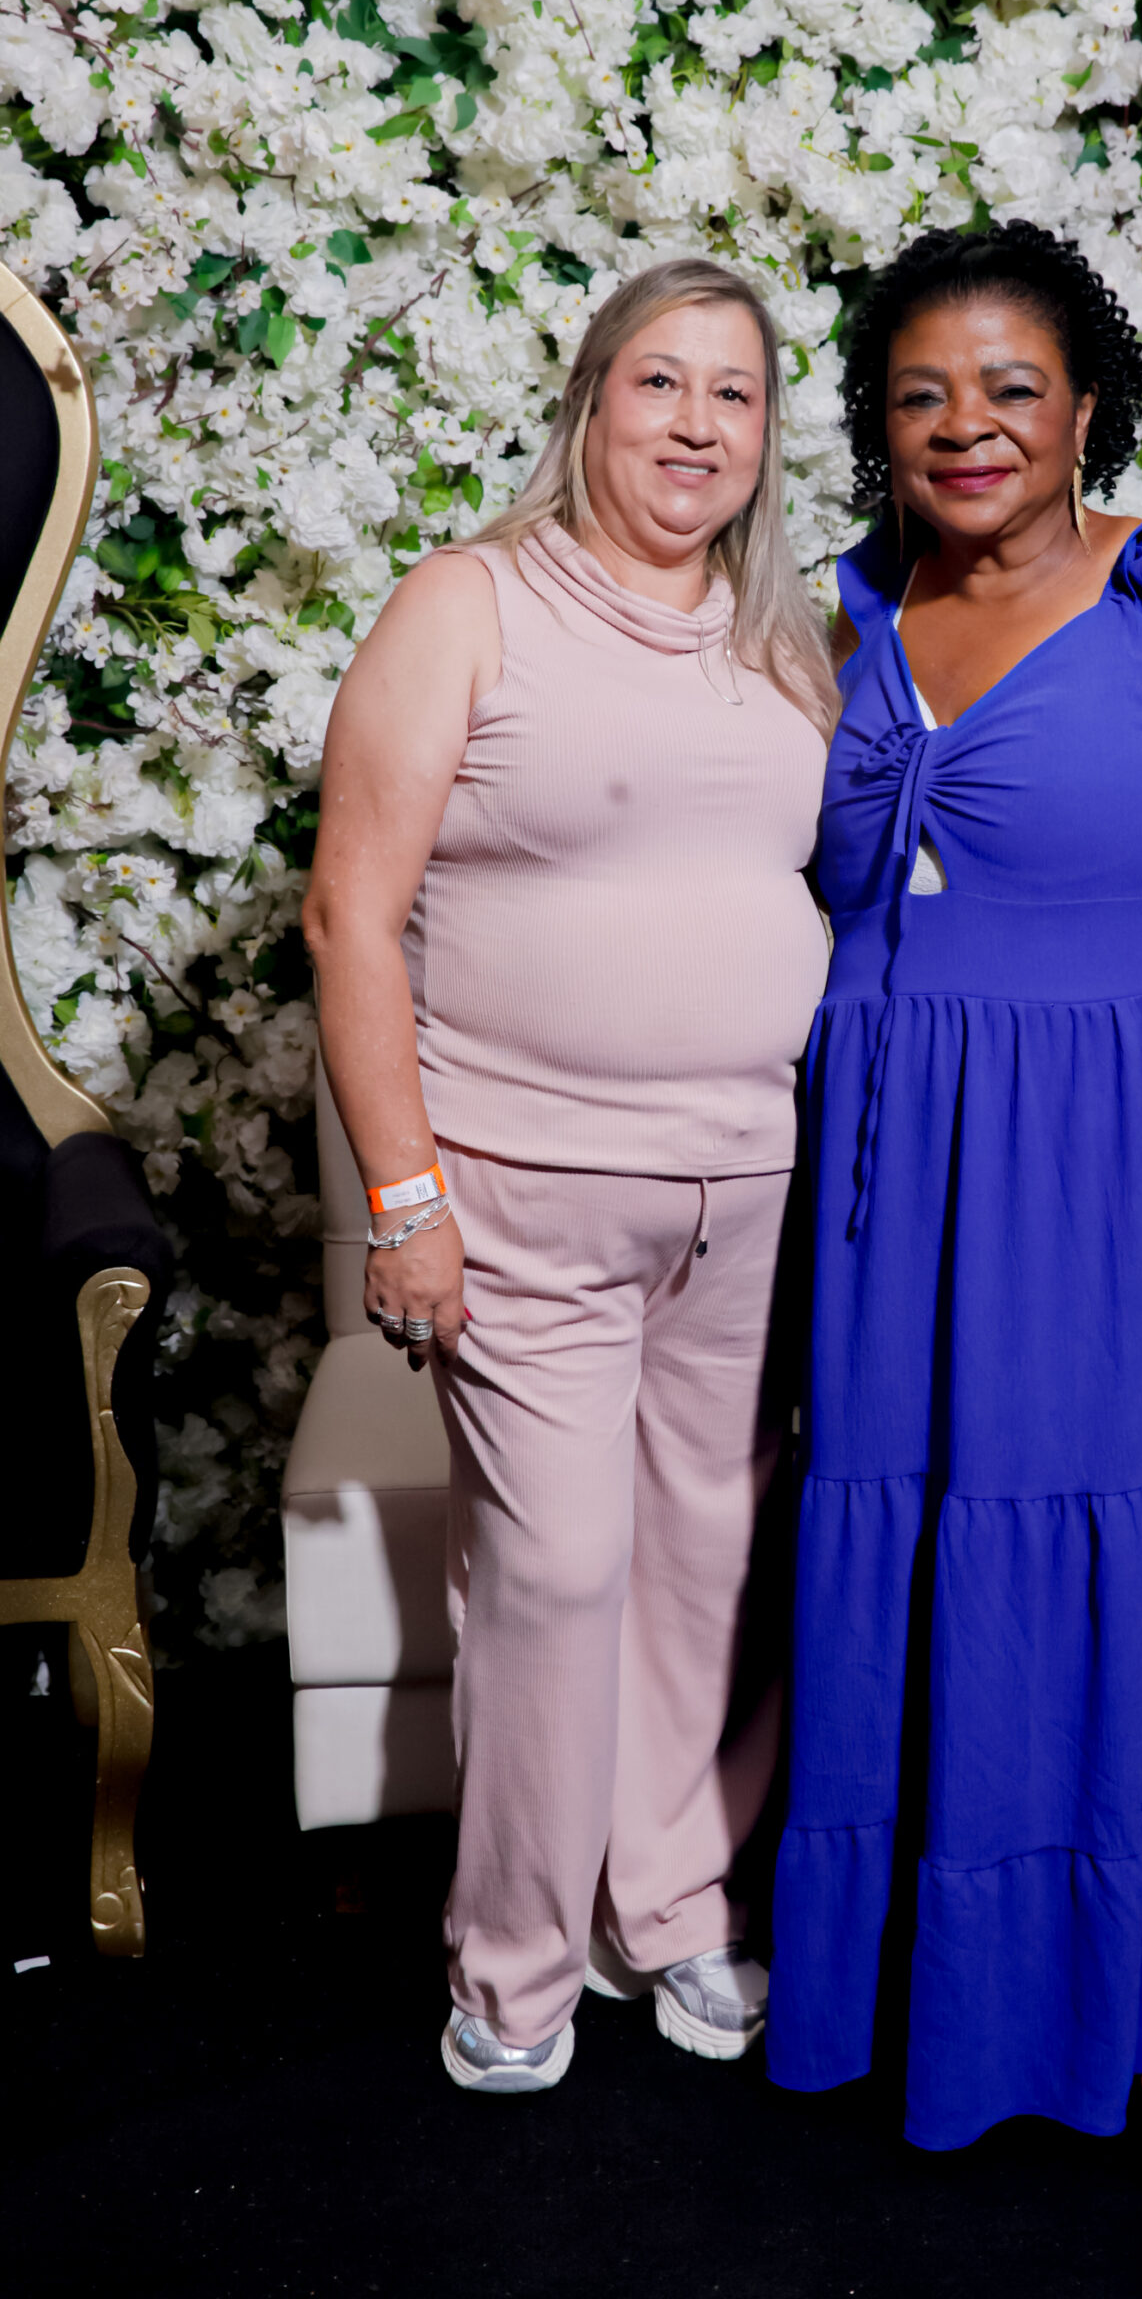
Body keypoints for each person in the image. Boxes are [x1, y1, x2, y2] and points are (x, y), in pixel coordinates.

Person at [765, 222, 1142, 2170]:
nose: (968, 425)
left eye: (1010, 388)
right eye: (922, 393)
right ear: (880, 427)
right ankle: (946, 1977)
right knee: (937, 1530)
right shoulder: (847, 619)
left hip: (1140, 1159)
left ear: (1085, 405)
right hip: (908, 1179)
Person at [303, 259, 835, 2094]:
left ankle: (669, 1907)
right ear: (590, 400)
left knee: (713, 1562)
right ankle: (515, 1965)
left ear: (766, 440)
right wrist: (407, 1202)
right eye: (659, 383)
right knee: (554, 1573)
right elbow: (348, 916)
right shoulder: (469, 604)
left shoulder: (789, 644)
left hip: (746, 1191)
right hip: (522, 1191)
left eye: (734, 395)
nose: (696, 424)